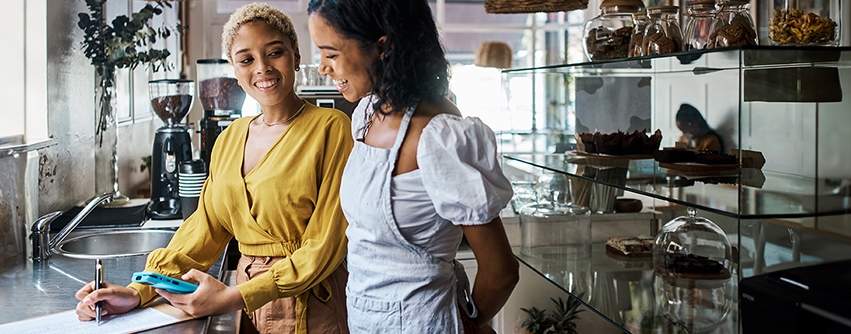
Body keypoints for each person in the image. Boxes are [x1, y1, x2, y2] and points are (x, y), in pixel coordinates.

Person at [75, 3, 353, 333]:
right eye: (246, 59)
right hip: (244, 307)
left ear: (295, 55)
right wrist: (140, 291)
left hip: (310, 309)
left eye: (274, 53)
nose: (262, 68)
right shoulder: (230, 138)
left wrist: (234, 297)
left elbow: (326, 247)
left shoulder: (332, 128)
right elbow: (204, 229)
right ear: (233, 69)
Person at [307, 0, 519, 333]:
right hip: (363, 319)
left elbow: (501, 270)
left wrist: (471, 322)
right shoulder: (365, 116)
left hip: (426, 322)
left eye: (331, 54)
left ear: (383, 47)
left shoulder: (439, 134)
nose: (322, 67)